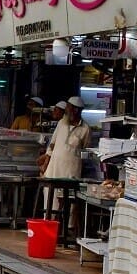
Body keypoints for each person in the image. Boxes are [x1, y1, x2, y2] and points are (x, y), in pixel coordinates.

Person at [38, 96, 91, 225]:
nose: (66, 111)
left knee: (69, 202)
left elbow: (85, 150)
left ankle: (68, 228)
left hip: (71, 172)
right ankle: (49, 226)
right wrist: (45, 164)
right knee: (51, 200)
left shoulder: (85, 129)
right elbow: (52, 144)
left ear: (75, 110)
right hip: (54, 168)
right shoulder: (62, 123)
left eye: (68, 108)